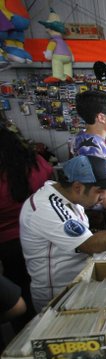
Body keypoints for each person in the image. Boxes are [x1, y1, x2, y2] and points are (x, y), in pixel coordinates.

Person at [20, 155, 106, 311]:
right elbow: (91, 244)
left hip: (80, 282)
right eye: (100, 190)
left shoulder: (68, 195)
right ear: (78, 187)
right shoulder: (46, 207)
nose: (104, 195)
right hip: (59, 298)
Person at [0, 123, 52, 327]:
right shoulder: (35, 164)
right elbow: (48, 178)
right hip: (42, 234)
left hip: (8, 245)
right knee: (40, 281)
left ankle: (25, 332)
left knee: (16, 290)